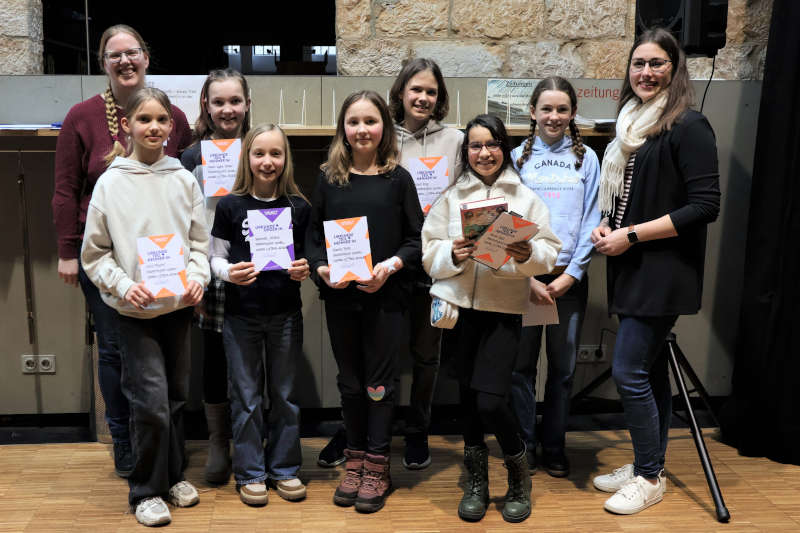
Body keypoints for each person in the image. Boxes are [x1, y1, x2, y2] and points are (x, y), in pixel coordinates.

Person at [590, 28, 720, 515]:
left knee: (627, 371)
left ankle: (648, 477)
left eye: (657, 63)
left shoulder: (689, 124)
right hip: (632, 264)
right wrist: (609, 225)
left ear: (675, 68)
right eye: (638, 63)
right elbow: (626, 195)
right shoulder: (631, 123)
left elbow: (706, 205)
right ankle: (652, 460)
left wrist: (633, 234)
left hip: (663, 271)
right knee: (649, 372)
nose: (646, 72)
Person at [52, 24, 191, 478]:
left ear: (146, 57)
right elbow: (66, 189)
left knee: (164, 364)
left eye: (132, 52)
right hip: (111, 257)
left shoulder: (177, 118)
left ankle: (164, 450)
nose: (125, 61)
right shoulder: (80, 116)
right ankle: (127, 444)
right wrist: (68, 252)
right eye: (115, 55)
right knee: (115, 352)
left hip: (167, 265)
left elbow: (183, 184)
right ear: (103, 63)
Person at [316, 58, 464, 470]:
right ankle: (357, 435)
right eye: (415, 89)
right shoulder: (380, 135)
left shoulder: (455, 139)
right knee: (368, 359)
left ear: (439, 98)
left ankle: (416, 432)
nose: (422, 97)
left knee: (423, 353)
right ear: (399, 93)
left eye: (431, 91)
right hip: (373, 266)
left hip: (430, 258)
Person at [422, 114, 561, 523]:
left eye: (493, 144)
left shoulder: (526, 198)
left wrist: (526, 256)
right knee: (467, 401)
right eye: (476, 146)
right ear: (466, 152)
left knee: (491, 401)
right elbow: (428, 252)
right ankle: (477, 482)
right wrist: (453, 253)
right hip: (459, 311)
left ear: (505, 148)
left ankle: (518, 471)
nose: (485, 153)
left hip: (503, 313)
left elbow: (549, 253)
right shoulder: (450, 197)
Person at [81, 87, 209, 527]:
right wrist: (122, 285)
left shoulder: (184, 179)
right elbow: (95, 254)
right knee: (148, 403)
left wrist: (196, 279)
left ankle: (171, 476)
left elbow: (198, 243)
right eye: (144, 120)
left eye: (161, 120)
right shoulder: (110, 183)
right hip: (134, 312)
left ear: (172, 127)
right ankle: (145, 491)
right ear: (127, 126)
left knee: (174, 399)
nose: (153, 127)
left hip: (176, 309)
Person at [306, 90, 424, 513]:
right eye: (353, 122)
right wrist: (321, 268)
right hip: (341, 301)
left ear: (384, 128)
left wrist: (389, 267)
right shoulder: (328, 178)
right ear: (343, 128)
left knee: (379, 385)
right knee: (350, 383)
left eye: (370, 121)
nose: (361, 130)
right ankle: (353, 458)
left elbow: (416, 239)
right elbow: (313, 236)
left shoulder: (399, 179)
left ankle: (378, 463)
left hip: (386, 300)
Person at [209, 124, 310, 506]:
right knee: (246, 396)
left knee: (284, 394)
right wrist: (227, 273)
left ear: (286, 160)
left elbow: (308, 258)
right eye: (259, 154)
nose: (267, 162)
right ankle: (250, 472)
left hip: (285, 314)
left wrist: (305, 269)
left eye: (276, 154)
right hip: (240, 315)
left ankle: (285, 468)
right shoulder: (231, 206)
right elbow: (215, 257)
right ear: (247, 159)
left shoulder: (299, 207)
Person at [509, 76, 601, 477]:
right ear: (532, 112)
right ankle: (524, 444)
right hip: (527, 282)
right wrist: (526, 276)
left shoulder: (587, 159)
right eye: (546, 108)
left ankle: (554, 445)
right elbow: (507, 222)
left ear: (573, 113)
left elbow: (591, 220)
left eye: (562, 109)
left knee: (562, 371)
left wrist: (573, 275)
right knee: (521, 369)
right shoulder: (517, 159)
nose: (554, 116)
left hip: (567, 283)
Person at [180, 68, 252, 484]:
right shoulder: (191, 157)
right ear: (206, 105)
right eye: (218, 101)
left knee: (254, 358)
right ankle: (218, 442)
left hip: (256, 266)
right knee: (214, 359)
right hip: (210, 269)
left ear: (246, 104)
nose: (227, 109)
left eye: (235, 101)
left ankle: (251, 438)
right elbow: (186, 219)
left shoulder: (261, 146)